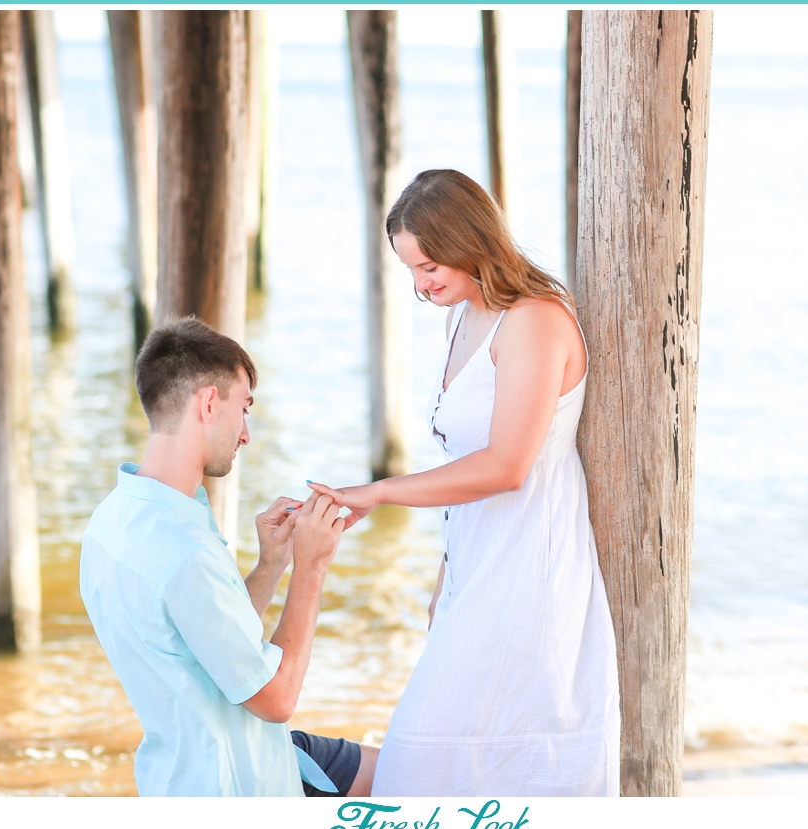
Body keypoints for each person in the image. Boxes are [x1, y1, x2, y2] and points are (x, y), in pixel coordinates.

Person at [308, 169, 620, 796]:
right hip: (478, 569)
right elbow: (465, 462)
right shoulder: (464, 315)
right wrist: (446, 579)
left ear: (469, 243)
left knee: (432, 759)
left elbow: (507, 465)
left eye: (430, 268)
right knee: (452, 760)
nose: (422, 287)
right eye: (412, 272)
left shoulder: (535, 320)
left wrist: (378, 491)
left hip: (530, 575)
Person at [80, 315, 377, 797]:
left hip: (190, 759)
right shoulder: (184, 550)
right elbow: (276, 699)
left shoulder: (114, 518)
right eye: (244, 408)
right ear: (210, 403)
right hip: (237, 783)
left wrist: (272, 565)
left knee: (405, 768)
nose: (246, 434)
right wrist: (311, 567)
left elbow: (207, 638)